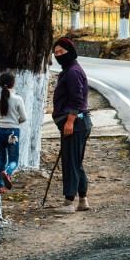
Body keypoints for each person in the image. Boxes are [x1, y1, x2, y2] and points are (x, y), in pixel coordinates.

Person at [52, 37, 92, 214]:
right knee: (76, 163)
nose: (59, 55)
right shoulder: (70, 69)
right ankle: (83, 201)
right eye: (56, 53)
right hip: (79, 123)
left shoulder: (73, 72)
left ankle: (69, 203)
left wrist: (69, 122)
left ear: (71, 51)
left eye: (62, 52)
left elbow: (77, 98)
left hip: (75, 124)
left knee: (70, 163)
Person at [0, 71, 27, 192]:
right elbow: (24, 118)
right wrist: (14, 122)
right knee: (13, 160)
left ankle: (0, 186)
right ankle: (6, 173)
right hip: (13, 132)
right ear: (14, 84)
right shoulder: (18, 99)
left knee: (1, 159)